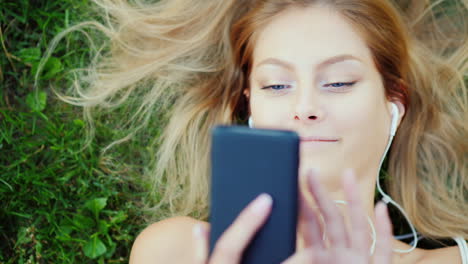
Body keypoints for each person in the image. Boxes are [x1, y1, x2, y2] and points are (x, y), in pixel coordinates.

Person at [52, 0, 467, 263]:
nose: (304, 108)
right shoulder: (179, 250)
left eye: (339, 82)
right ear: (251, 107)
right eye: (276, 85)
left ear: (394, 104)